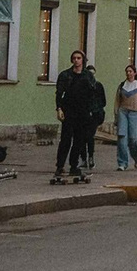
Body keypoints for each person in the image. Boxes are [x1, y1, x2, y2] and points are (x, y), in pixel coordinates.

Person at [53, 51, 96, 184]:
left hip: (82, 112)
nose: (76, 61)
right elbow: (59, 93)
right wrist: (59, 108)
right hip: (69, 110)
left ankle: (74, 165)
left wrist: (91, 111)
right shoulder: (66, 75)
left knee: (79, 140)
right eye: (74, 58)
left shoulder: (88, 76)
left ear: (83, 60)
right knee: (66, 139)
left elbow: (92, 94)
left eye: (79, 58)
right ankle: (60, 166)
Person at [113, 64, 137, 172]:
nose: (128, 73)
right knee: (122, 138)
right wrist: (116, 115)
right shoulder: (122, 85)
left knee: (133, 139)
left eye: (131, 71)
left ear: (135, 73)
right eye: (127, 71)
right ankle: (122, 163)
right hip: (123, 112)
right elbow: (117, 101)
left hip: (135, 113)